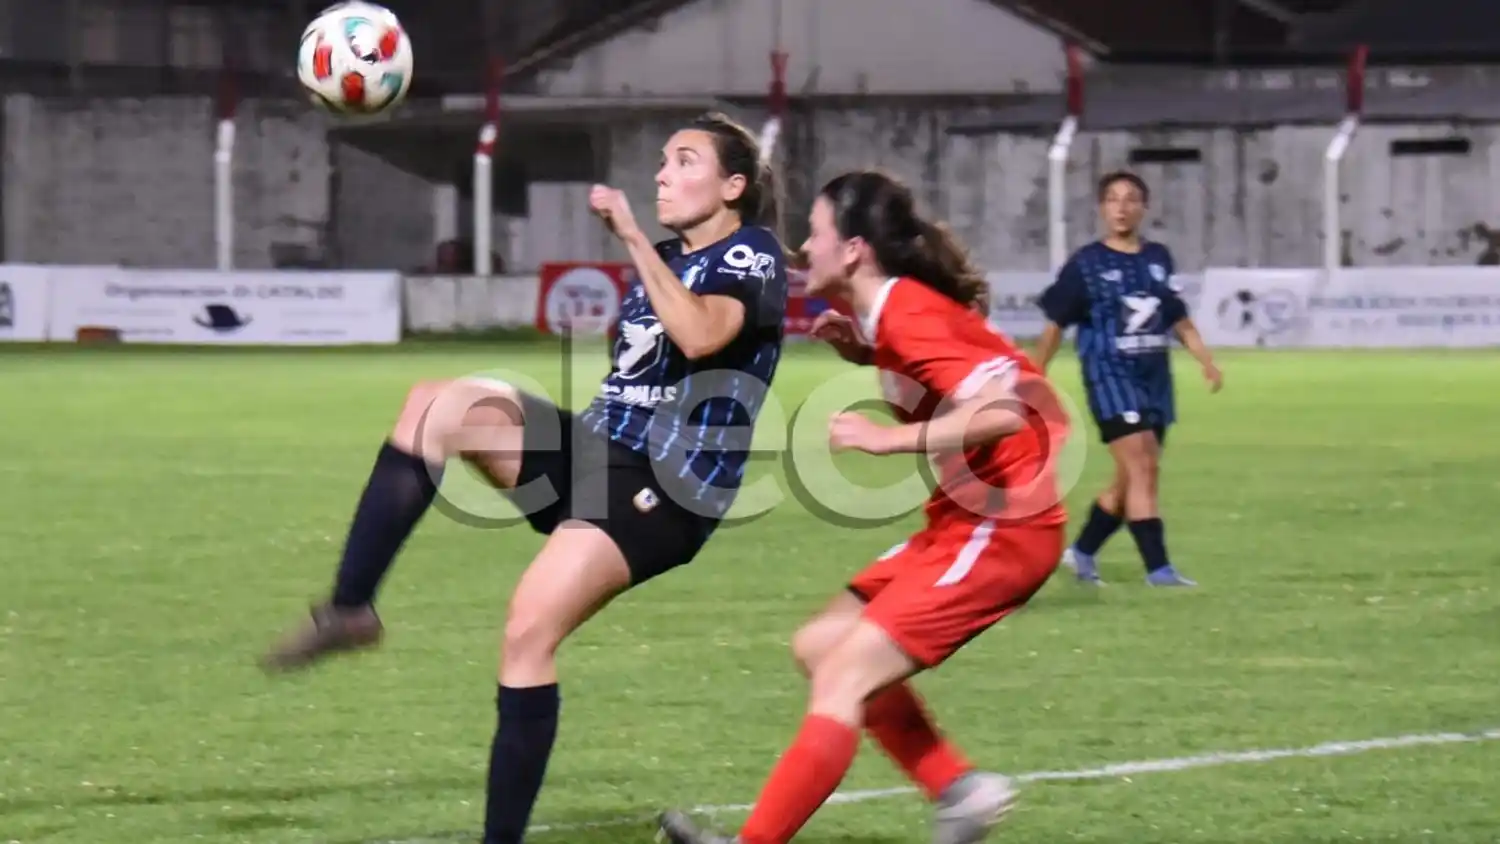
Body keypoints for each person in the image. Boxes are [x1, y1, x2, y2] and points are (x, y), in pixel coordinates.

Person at [260, 112, 789, 844]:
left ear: (734, 186)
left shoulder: (751, 253)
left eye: (685, 161)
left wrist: (634, 239)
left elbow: (702, 335)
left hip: (665, 486)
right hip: (598, 447)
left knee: (526, 631)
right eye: (663, 160)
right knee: (434, 407)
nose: (663, 173)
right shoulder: (674, 258)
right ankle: (351, 608)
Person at [658, 170, 1071, 844]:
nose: (805, 247)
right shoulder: (893, 313)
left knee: (845, 678)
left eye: (817, 233)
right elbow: (956, 369)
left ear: (853, 250)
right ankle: (959, 791)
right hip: (966, 521)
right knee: (821, 645)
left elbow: (1008, 411)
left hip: (1004, 528)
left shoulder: (906, 309)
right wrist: (867, 353)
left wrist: (890, 438)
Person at [1032, 171, 1222, 587]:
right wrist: (1035, 374)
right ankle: (1159, 569)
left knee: (1129, 479)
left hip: (1154, 381)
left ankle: (1081, 553)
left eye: (1131, 199)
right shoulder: (1086, 264)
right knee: (1141, 469)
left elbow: (1178, 318)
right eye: (1113, 199)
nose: (1121, 207)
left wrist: (1206, 361)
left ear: (1143, 207)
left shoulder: (1158, 258)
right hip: (1110, 378)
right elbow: (1054, 325)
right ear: (1102, 208)